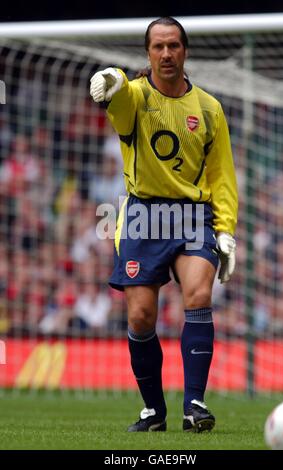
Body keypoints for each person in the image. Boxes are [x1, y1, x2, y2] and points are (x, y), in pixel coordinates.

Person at [90, 16, 238, 433]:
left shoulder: (209, 109)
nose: (167, 53)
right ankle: (155, 412)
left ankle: (195, 403)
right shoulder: (134, 96)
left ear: (185, 51)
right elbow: (116, 102)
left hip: (192, 215)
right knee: (140, 317)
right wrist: (111, 79)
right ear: (148, 53)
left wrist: (225, 230)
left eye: (173, 45)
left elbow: (222, 174)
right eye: (158, 47)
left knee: (198, 294)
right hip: (143, 216)